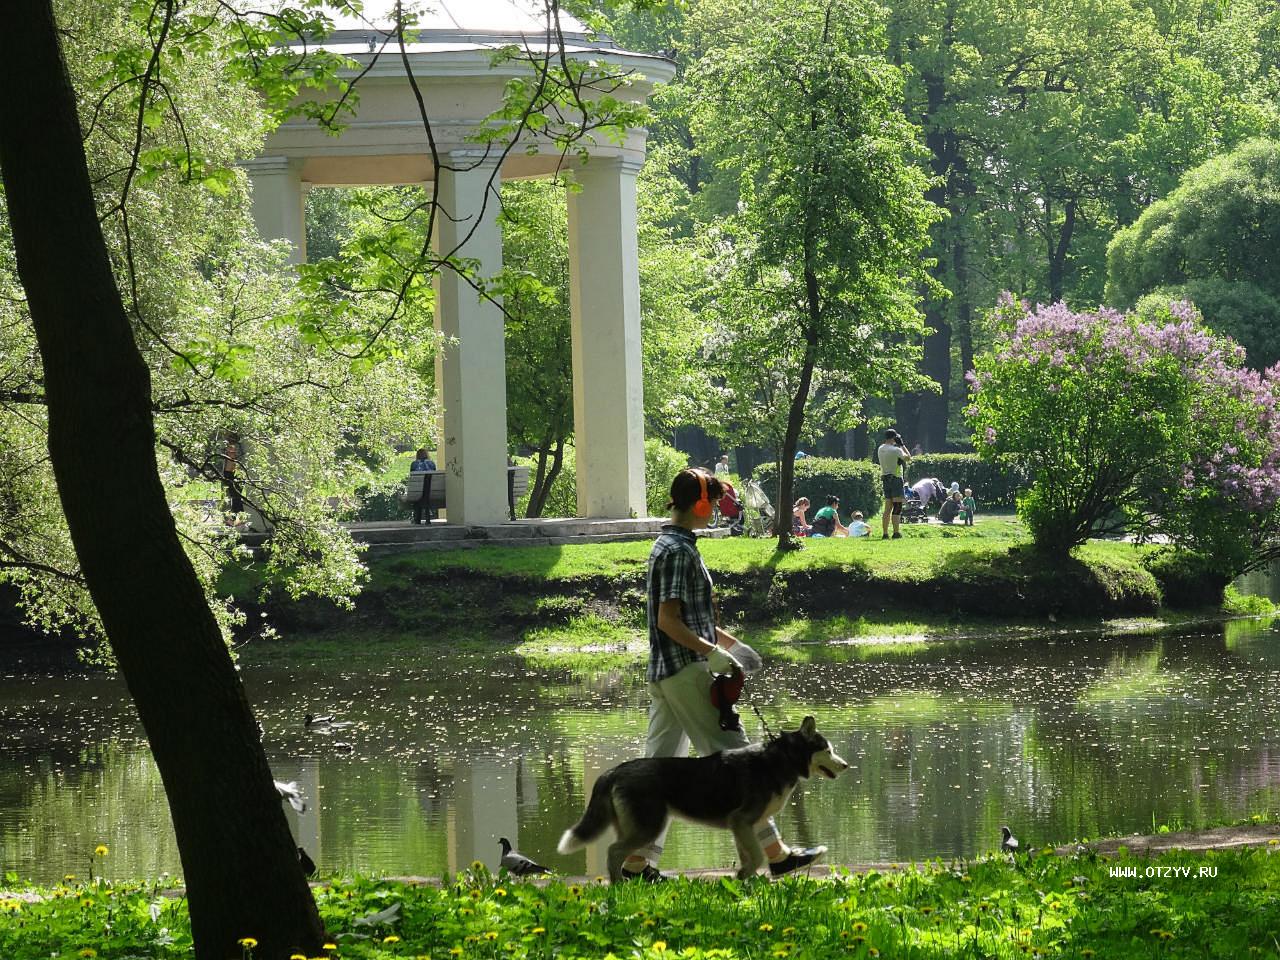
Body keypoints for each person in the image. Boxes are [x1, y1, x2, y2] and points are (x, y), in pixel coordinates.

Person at [620, 467, 827, 880]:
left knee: (657, 774)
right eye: (713, 502)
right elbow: (668, 620)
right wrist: (711, 654)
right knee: (742, 760)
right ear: (699, 503)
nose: (716, 509)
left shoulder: (671, 544)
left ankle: (635, 863)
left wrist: (731, 646)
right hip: (685, 671)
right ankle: (777, 855)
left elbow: (691, 618)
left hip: (667, 672)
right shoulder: (678, 551)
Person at [877, 428, 911, 539]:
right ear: (894, 438)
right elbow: (908, 458)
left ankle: (885, 533)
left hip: (885, 479)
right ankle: (896, 532)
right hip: (896, 479)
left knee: (887, 508)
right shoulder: (896, 450)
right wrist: (902, 445)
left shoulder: (880, 449)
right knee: (897, 507)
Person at [410, 447, 437, 525]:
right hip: (430, 493)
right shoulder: (431, 464)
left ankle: (417, 520)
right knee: (425, 496)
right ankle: (427, 519)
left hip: (417, 492)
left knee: (418, 498)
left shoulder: (414, 464)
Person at [220, 431, 243, 523]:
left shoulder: (233, 447)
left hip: (232, 473)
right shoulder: (232, 447)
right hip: (230, 473)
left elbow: (232, 458)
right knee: (235, 497)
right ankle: (237, 519)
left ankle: (236, 519)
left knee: (235, 497)